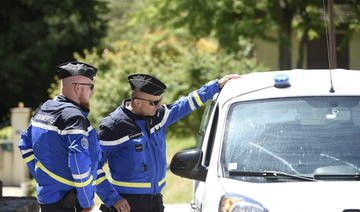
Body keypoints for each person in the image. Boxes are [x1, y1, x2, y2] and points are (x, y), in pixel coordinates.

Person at [96, 73, 240, 212]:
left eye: (159, 101)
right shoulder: (113, 127)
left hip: (156, 201)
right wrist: (112, 199)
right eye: (154, 103)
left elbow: (186, 103)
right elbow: (91, 167)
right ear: (137, 102)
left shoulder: (158, 116)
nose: (159, 106)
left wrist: (216, 86)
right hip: (127, 204)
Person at [18, 62, 128, 212]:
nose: (92, 92)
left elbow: (24, 144)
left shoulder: (45, 109)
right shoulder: (74, 118)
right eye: (91, 87)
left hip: (47, 199)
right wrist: (85, 201)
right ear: (78, 87)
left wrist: (41, 177)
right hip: (68, 202)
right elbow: (79, 163)